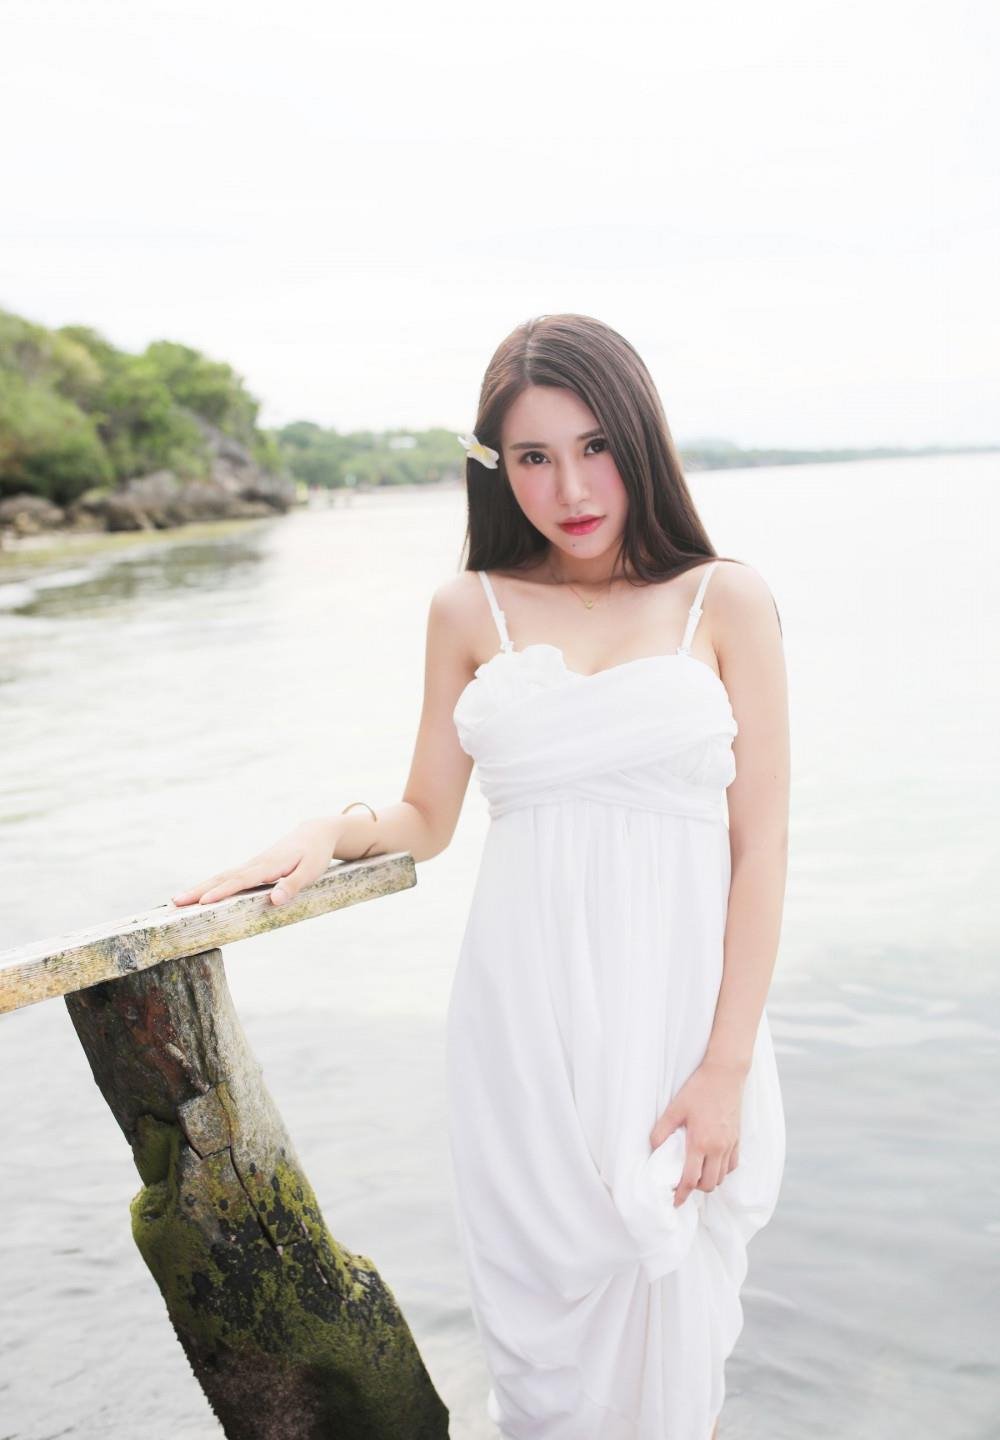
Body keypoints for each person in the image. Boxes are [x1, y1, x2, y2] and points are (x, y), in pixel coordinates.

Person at [171, 312, 789, 1439]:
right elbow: (429, 817)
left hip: (677, 1023)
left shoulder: (726, 600)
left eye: (595, 447)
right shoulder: (469, 608)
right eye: (533, 457)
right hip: (522, 1032)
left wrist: (725, 1065)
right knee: (544, 1350)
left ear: (640, 439)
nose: (571, 488)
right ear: (496, 467)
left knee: (673, 1328)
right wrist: (332, 829)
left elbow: (763, 849)